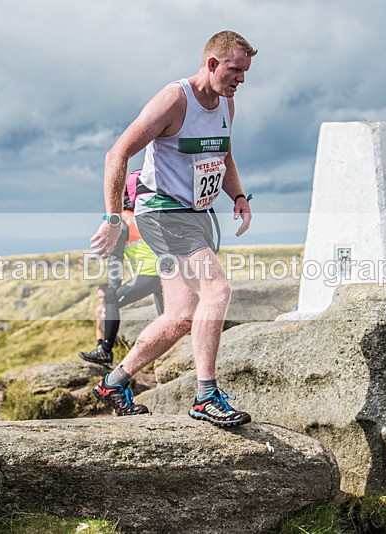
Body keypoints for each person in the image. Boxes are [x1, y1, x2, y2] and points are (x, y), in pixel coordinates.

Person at [90, 31, 256, 427]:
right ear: (212, 64)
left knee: (182, 314)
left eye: (246, 72)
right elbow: (117, 153)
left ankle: (115, 382)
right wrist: (114, 218)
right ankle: (205, 396)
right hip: (163, 212)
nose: (242, 79)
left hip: (194, 215)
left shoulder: (226, 104)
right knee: (217, 288)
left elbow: (224, 153)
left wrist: (238, 196)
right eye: (235, 70)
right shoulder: (174, 100)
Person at [80, 170, 164, 369]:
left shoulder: (122, 222)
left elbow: (115, 259)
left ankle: (105, 350)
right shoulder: (151, 215)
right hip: (168, 273)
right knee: (166, 317)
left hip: (149, 274)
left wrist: (113, 286)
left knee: (111, 299)